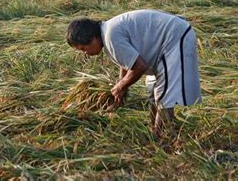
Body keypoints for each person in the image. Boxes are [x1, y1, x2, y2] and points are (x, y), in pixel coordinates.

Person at [66, 10, 202, 137]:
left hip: (175, 37)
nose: (85, 53)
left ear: (92, 37)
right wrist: (122, 86)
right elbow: (127, 62)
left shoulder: (110, 36)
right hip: (166, 42)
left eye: (83, 48)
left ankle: (162, 137)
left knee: (163, 95)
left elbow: (139, 66)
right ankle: (158, 130)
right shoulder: (108, 33)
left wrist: (120, 87)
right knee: (152, 91)